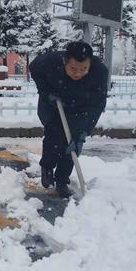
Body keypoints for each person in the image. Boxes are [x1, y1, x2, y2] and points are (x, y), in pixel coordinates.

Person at [29, 41, 108, 198]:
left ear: (90, 63)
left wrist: (85, 131)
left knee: (73, 144)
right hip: (53, 104)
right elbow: (34, 68)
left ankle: (62, 180)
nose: (78, 73)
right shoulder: (49, 61)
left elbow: (97, 105)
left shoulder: (99, 72)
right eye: (73, 69)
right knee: (54, 135)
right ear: (65, 61)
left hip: (80, 108)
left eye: (83, 69)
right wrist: (45, 92)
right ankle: (47, 167)